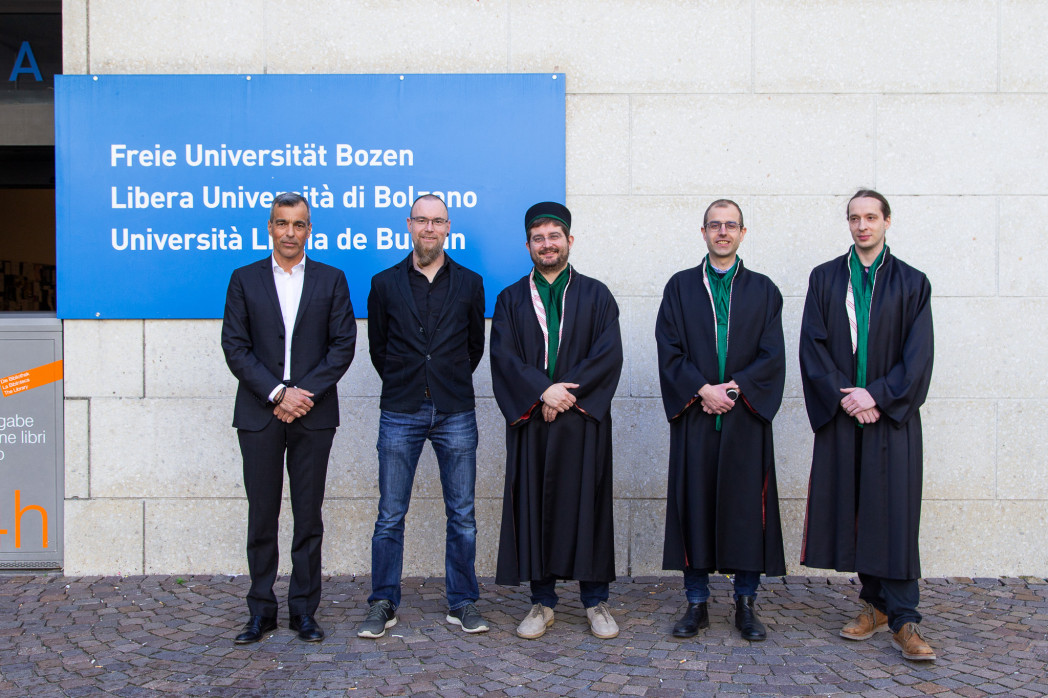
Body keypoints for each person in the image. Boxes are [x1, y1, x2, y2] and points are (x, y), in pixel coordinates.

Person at [800, 189, 935, 661]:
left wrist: (875, 395)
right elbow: (812, 348)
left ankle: (904, 618)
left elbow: (918, 357)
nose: (863, 226)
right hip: (844, 413)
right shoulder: (825, 279)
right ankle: (874, 605)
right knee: (859, 512)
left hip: (890, 417)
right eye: (855, 218)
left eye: (871, 217)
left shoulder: (912, 283)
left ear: (887, 222)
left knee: (893, 514)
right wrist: (848, 399)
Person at [221, 192, 356, 644]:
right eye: (282, 224)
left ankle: (304, 611)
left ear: (309, 230)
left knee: (307, 517)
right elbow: (234, 346)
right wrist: (278, 393)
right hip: (259, 414)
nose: (290, 233)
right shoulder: (244, 279)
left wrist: (303, 395)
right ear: (270, 228)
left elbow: (342, 346)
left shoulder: (331, 279)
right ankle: (261, 611)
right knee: (261, 516)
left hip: (313, 417)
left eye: (299, 225)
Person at [490, 201, 623, 640]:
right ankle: (541, 602)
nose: (546, 244)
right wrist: (540, 391)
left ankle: (595, 600)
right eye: (538, 237)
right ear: (528, 244)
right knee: (535, 507)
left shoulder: (597, 294)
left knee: (588, 506)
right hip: (533, 422)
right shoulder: (510, 298)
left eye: (554, 235)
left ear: (569, 240)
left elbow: (607, 355)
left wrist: (563, 393)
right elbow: (504, 357)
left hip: (582, 422)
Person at [656, 199, 786, 642]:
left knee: (747, 510)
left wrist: (735, 389)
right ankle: (696, 603)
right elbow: (669, 349)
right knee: (694, 506)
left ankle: (746, 603)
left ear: (743, 233)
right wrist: (701, 389)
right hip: (696, 414)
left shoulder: (764, 290)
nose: (723, 232)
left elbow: (773, 355)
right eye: (715, 225)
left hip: (745, 417)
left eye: (731, 225)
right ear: (704, 232)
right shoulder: (681, 287)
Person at [358, 194, 487, 638]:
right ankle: (383, 601)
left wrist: (443, 377)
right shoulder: (383, 283)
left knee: (463, 514)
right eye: (421, 220)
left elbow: (474, 347)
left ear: (448, 227)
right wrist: (410, 378)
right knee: (390, 514)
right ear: (408, 225)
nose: (429, 228)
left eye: (437, 221)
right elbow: (380, 349)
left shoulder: (470, 283)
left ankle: (463, 601)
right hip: (401, 408)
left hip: (455, 409)